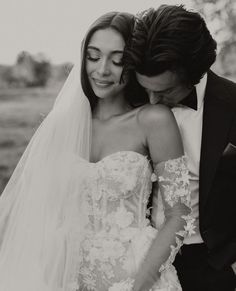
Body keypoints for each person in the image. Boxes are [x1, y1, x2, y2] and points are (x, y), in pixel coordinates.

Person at [0, 11, 194, 291]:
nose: (102, 70)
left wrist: (139, 285)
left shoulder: (153, 120)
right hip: (65, 278)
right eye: (93, 56)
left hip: (138, 278)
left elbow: (179, 215)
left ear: (134, 64)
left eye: (117, 61)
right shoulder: (62, 125)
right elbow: (43, 211)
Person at [127, 4, 236, 291]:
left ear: (195, 74)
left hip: (212, 266)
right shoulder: (128, 103)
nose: (151, 102)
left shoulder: (233, 105)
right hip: (137, 261)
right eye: (146, 89)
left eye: (163, 92)